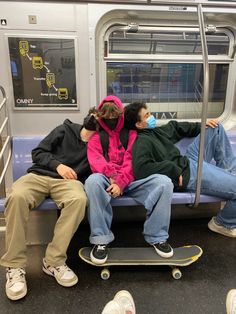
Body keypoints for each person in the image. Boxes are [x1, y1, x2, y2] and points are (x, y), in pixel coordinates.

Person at [0, 115, 97, 301]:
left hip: (69, 183)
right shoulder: (65, 130)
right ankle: (14, 265)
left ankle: (53, 261)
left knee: (78, 200)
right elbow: (38, 152)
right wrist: (58, 165)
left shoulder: (100, 144)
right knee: (17, 197)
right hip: (39, 176)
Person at [85, 95, 174, 266]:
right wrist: (113, 178)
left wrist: (121, 182)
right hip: (107, 180)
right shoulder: (97, 138)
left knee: (164, 183)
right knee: (92, 181)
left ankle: (157, 236)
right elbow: (96, 162)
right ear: (102, 119)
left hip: (131, 180)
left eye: (115, 117)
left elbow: (131, 162)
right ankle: (100, 239)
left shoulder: (132, 135)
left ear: (121, 116)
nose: (111, 120)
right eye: (107, 118)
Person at [124, 102, 236, 237]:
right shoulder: (142, 142)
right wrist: (173, 170)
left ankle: (229, 176)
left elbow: (175, 127)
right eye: (147, 115)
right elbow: (141, 169)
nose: (151, 116)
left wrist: (201, 125)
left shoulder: (155, 131)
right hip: (188, 174)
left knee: (215, 128)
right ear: (138, 125)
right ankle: (222, 223)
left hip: (189, 160)